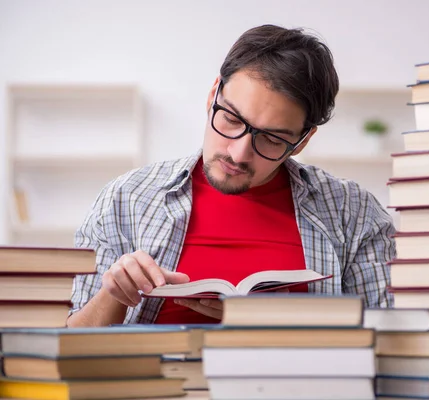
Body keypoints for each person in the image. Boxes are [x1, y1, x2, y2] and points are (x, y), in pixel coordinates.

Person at [67, 24, 396, 327]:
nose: (239, 154)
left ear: (301, 141)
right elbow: (69, 351)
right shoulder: (125, 199)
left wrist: (276, 325)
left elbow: (387, 348)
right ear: (213, 95)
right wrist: (114, 293)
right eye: (232, 120)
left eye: (272, 138)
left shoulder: (355, 215)